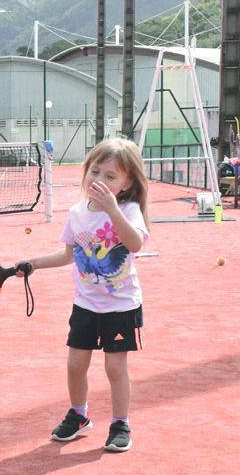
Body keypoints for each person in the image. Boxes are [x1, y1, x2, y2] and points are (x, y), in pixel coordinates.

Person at [14, 137, 151, 453]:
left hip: (120, 306)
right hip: (86, 304)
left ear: (127, 183)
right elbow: (68, 256)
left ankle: (120, 423)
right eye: (95, 171)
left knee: (115, 369)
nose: (100, 180)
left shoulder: (128, 210)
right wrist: (32, 264)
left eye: (111, 176)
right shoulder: (76, 213)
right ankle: (79, 414)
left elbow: (135, 244)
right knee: (75, 364)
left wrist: (113, 211)